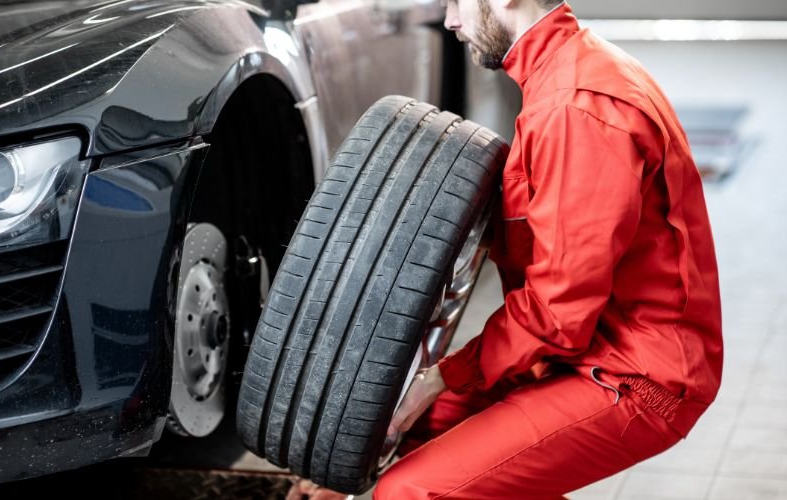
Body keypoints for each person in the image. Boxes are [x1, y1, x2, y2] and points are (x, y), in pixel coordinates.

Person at [288, 0, 722, 498]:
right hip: (579, 351)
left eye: (456, 2)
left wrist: (441, 377)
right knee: (416, 427)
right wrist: (341, 464)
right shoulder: (559, 77)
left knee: (411, 490)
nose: (450, 20)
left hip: (635, 377)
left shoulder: (576, 107)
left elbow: (559, 313)